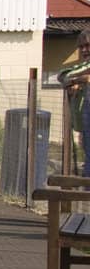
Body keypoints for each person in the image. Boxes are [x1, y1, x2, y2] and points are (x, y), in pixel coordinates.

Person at [58, 31, 90, 175]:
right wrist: (80, 80)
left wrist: (75, 80)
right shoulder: (85, 66)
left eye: (87, 45)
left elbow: (69, 76)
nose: (84, 50)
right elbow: (63, 75)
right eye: (81, 46)